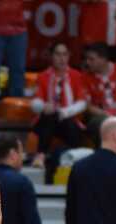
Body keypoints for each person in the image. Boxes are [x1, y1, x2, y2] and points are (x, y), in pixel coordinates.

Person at [31, 42, 88, 175]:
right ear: (51, 56)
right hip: (47, 120)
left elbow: (82, 103)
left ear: (69, 56)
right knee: (50, 116)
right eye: (58, 54)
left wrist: (64, 112)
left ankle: (61, 159)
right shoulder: (43, 76)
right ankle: (40, 155)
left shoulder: (77, 76)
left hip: (69, 121)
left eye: (65, 54)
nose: (62, 58)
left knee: (67, 122)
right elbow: (34, 103)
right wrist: (43, 106)